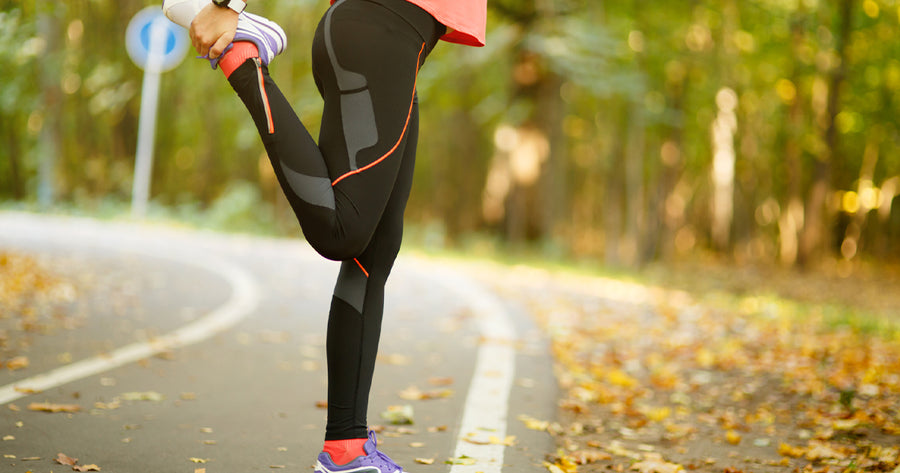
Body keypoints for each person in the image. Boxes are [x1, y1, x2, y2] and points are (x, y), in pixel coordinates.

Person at [161, 0, 486, 472]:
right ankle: (243, 60)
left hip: (393, 47)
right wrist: (225, 5)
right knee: (343, 232)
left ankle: (346, 451)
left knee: (373, 253)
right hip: (380, 31)